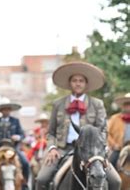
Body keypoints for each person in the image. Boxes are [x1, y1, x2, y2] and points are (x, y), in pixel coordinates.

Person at [35, 61, 121, 189]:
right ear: (70, 83)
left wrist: (102, 150)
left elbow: (103, 130)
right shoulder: (58, 104)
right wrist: (52, 148)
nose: (78, 83)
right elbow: (51, 132)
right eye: (74, 80)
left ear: (86, 84)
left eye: (81, 80)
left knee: (116, 181)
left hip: (92, 152)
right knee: (42, 179)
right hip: (62, 149)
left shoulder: (97, 104)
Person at [0, 98, 30, 187]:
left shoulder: (15, 121)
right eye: (4, 109)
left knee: (25, 162)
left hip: (13, 148)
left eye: (7, 109)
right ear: (1, 110)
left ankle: (25, 183)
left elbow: (22, 134)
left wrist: (18, 137)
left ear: (10, 110)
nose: (5, 111)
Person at [107, 93, 130, 168]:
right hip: (119, 148)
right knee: (110, 164)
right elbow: (107, 133)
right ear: (123, 106)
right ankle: (108, 178)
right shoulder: (115, 118)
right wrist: (114, 144)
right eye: (127, 104)